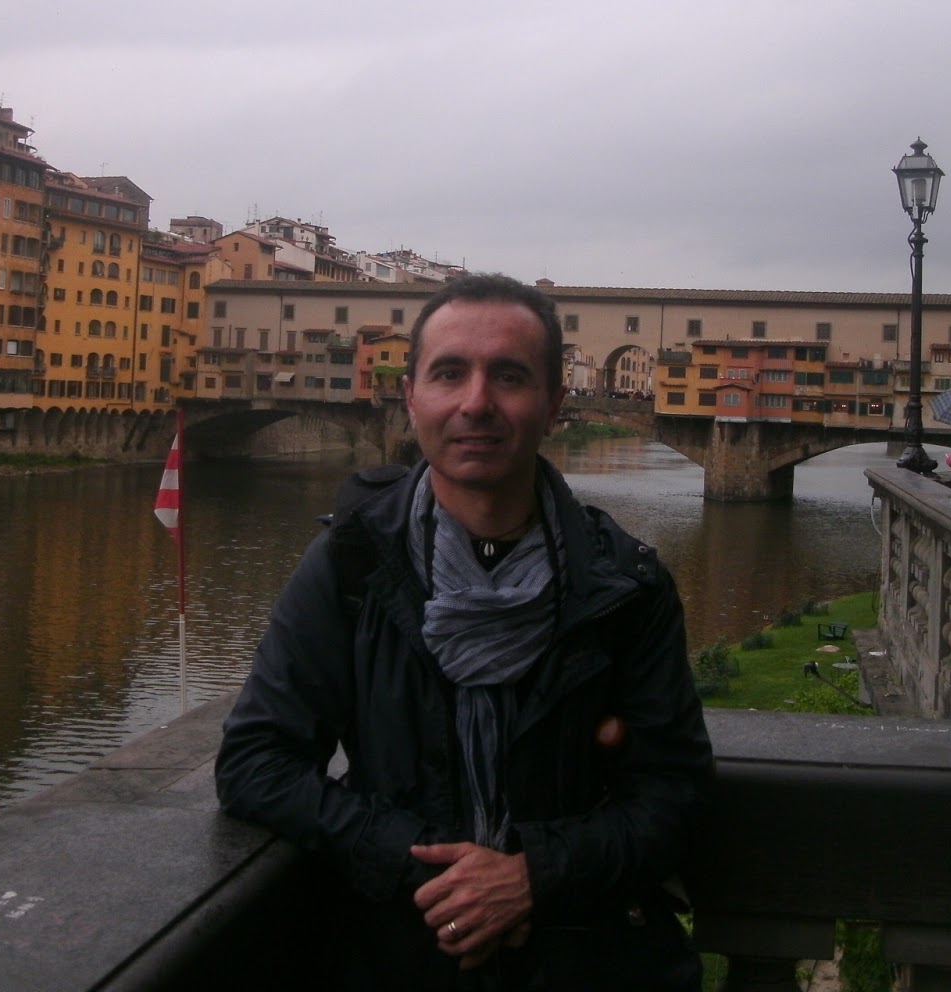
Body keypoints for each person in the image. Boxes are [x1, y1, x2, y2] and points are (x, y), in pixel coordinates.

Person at [215, 274, 713, 991]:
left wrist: (532, 877)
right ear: (411, 396)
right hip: (398, 958)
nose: (476, 402)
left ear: (555, 405)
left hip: (585, 965)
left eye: (509, 376)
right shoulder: (352, 566)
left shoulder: (626, 588)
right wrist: (428, 867)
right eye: (449, 373)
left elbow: (676, 795)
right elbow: (255, 762)